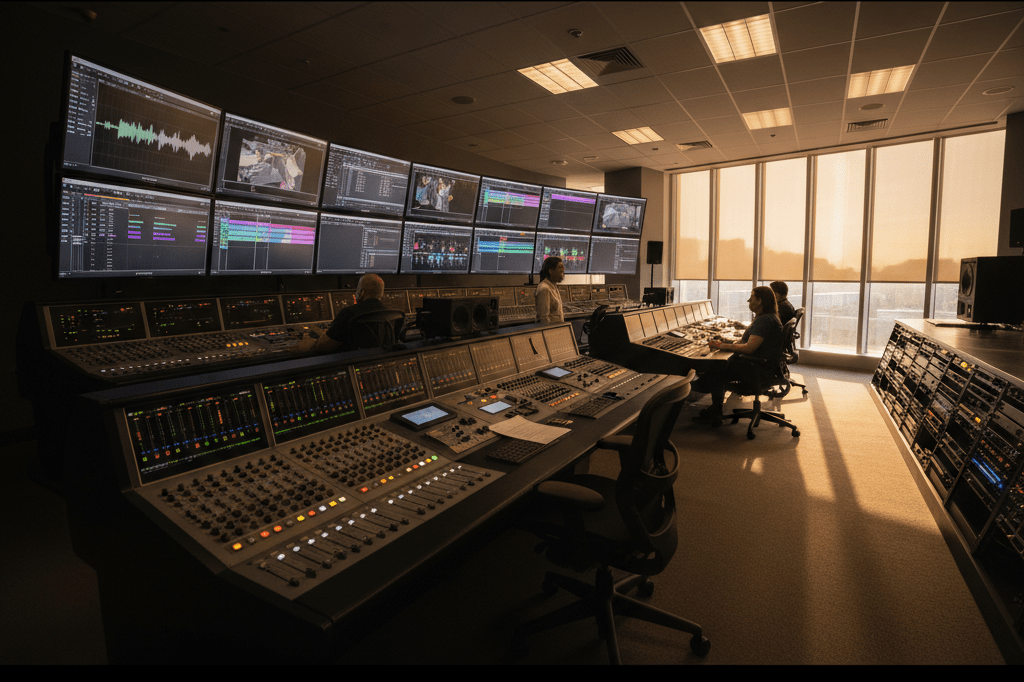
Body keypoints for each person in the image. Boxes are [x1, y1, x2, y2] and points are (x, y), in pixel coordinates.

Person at [691, 286, 784, 423]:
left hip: (757, 368)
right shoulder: (769, 318)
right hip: (765, 366)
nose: (748, 301)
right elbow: (750, 343)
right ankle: (712, 404)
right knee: (718, 365)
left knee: (717, 368)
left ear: (759, 301)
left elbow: (749, 348)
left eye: (751, 298)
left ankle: (713, 408)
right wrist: (727, 342)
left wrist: (722, 346)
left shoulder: (764, 321)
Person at [296, 274, 389, 353]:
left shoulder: (350, 313)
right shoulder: (391, 315)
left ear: (362, 292)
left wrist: (305, 345)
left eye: (357, 289)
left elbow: (323, 346)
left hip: (348, 362)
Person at [535, 256, 565, 324]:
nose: (562, 270)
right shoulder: (544, 289)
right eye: (559, 267)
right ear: (551, 271)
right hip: (551, 332)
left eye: (562, 267)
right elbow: (544, 319)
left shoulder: (553, 286)